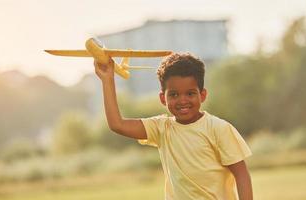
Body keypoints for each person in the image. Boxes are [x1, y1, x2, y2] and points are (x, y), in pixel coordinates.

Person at [94, 53, 253, 200]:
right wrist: (107, 79)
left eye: (190, 93)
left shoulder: (219, 128)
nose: (182, 101)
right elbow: (117, 124)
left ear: (202, 95)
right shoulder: (161, 128)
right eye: (174, 94)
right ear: (163, 98)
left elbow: (241, 174)